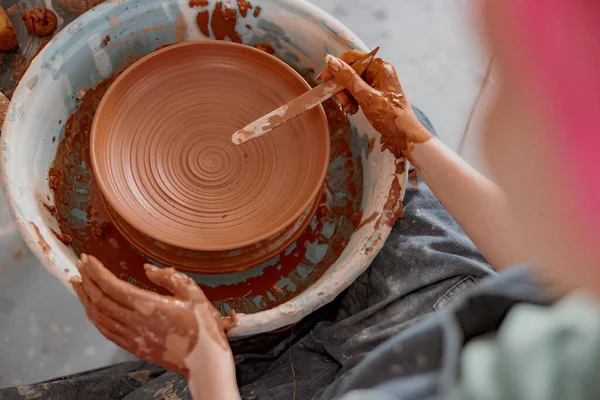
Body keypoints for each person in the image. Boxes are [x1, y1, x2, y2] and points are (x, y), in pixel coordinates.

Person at [3, 0, 599, 399]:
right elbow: (543, 266)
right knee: (393, 127)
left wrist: (207, 363)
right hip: (450, 302)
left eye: (515, 93)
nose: (490, 122)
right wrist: (415, 142)